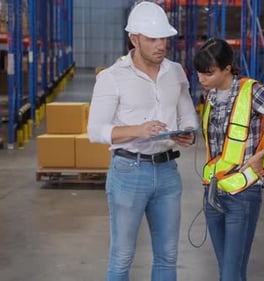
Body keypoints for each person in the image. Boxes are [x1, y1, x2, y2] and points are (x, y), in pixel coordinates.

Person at [87, 2, 199, 281]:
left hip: (168, 172)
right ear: (134, 39)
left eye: (164, 38)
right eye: (152, 39)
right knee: (122, 257)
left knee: (168, 256)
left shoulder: (175, 71)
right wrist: (138, 130)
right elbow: (96, 131)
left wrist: (185, 132)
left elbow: (188, 116)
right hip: (129, 172)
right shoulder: (111, 78)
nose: (161, 45)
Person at [193, 38, 264, 281]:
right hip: (213, 192)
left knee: (229, 274)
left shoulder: (253, 92)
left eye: (208, 73)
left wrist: (262, 154)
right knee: (231, 272)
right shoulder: (211, 97)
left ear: (227, 68)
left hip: (243, 195)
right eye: (199, 73)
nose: (202, 79)